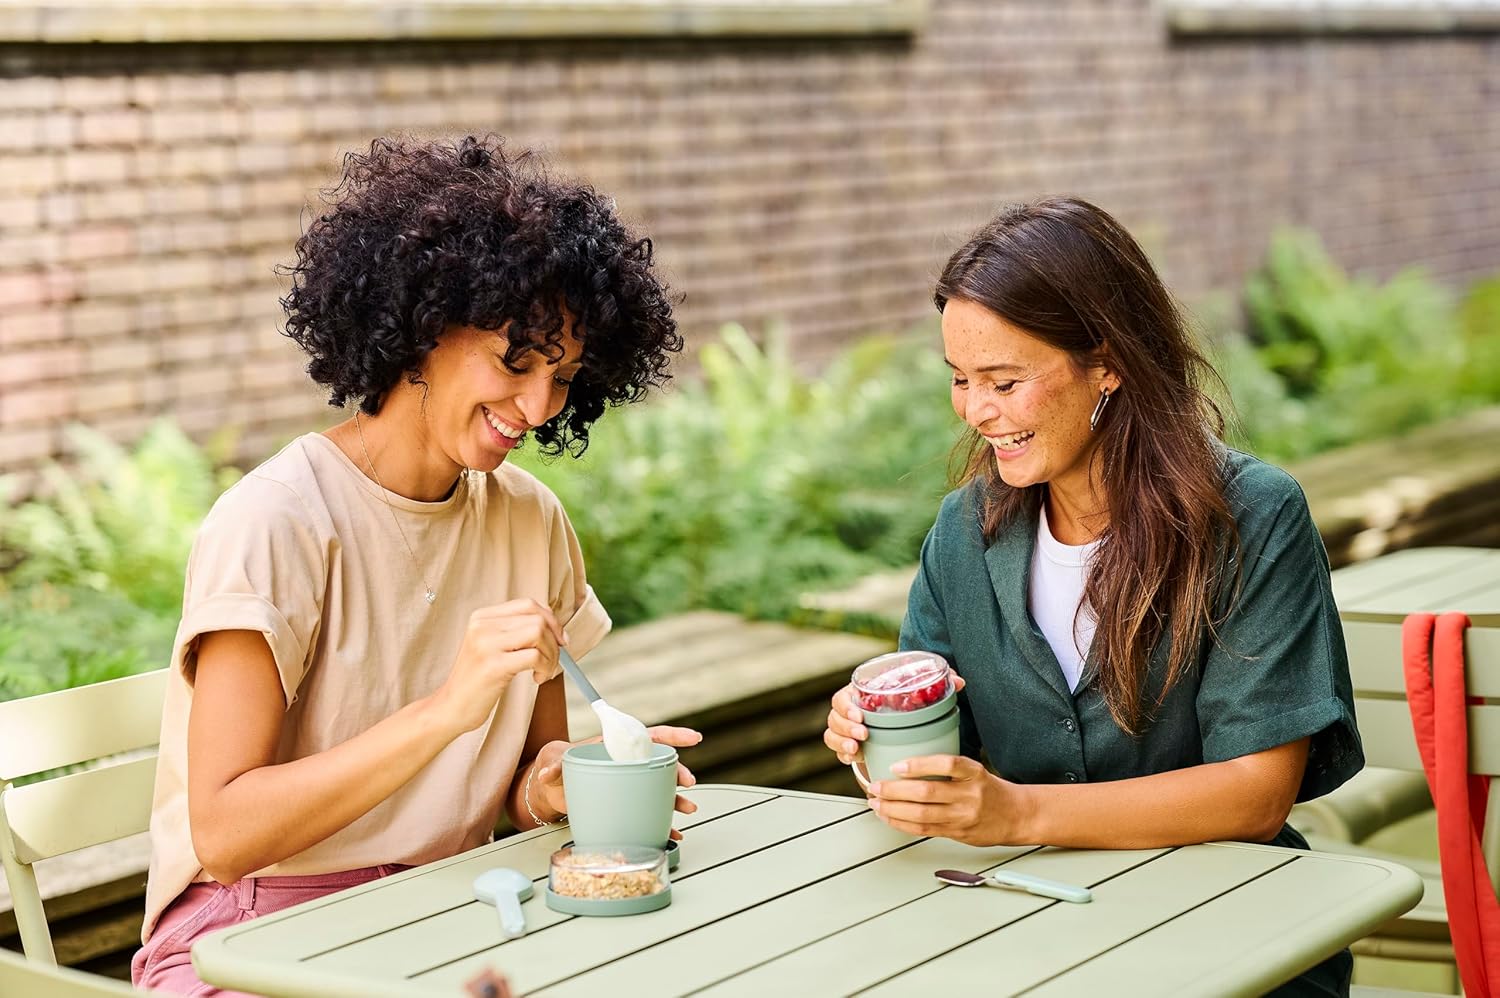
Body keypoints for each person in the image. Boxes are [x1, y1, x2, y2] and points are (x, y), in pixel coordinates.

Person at [133, 135, 699, 996]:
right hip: (254, 930)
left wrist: (561, 787)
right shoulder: (278, 521)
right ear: (425, 328)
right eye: (515, 362)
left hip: (447, 913)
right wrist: (448, 710)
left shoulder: (529, 522)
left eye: (564, 376)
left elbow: (525, 779)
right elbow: (225, 832)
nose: (539, 407)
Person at [823, 197, 1363, 996]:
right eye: (961, 380)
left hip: (1230, 940)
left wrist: (1017, 815)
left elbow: (1255, 793)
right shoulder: (964, 533)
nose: (977, 411)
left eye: (1005, 380)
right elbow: (941, 745)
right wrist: (875, 735)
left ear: (1106, 362)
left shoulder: (1251, 518)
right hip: (1025, 932)